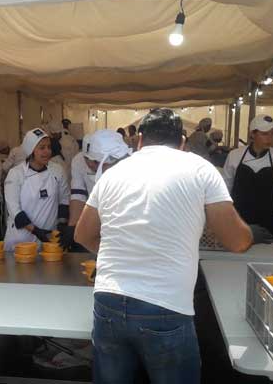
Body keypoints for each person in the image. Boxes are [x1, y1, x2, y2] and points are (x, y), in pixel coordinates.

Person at [75, 108, 253, 384]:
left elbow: (83, 235)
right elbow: (238, 242)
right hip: (166, 306)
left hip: (108, 300)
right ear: (182, 142)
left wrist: (126, 252)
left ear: (140, 139)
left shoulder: (113, 173)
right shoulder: (200, 169)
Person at [223, 115, 273, 242]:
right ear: (252, 134)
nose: (269, 138)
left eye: (272, 134)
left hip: (267, 221)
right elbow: (226, 187)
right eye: (264, 134)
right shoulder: (234, 156)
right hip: (238, 219)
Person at [3, 128, 70, 251]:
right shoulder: (16, 174)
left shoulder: (57, 170)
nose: (47, 151)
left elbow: (64, 200)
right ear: (31, 150)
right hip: (21, 239)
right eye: (42, 148)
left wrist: (61, 225)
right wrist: (36, 231)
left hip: (49, 238)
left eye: (49, 147)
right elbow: (14, 210)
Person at [66, 130, 131, 251]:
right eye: (87, 159)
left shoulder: (126, 172)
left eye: (96, 163)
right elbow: (78, 195)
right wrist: (72, 226)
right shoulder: (79, 161)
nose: (90, 164)